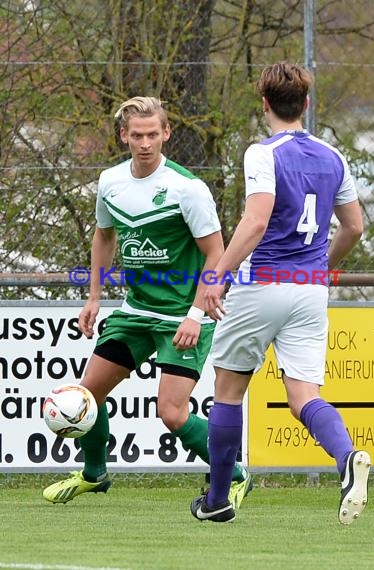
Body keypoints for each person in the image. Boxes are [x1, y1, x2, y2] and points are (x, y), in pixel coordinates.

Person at [43, 96, 252, 506]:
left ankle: (235, 473)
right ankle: (94, 474)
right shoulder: (111, 182)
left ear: (166, 133)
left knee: (171, 413)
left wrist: (195, 314)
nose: (144, 143)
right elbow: (104, 236)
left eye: (152, 134)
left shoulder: (187, 189)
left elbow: (216, 252)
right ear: (124, 135)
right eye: (136, 135)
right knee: (85, 398)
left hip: (182, 316)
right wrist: (94, 297)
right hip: (136, 312)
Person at [190, 62, 371, 524]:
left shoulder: (262, 152)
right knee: (304, 397)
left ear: (265, 103)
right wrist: (321, 269)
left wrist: (215, 278)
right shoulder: (334, 157)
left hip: (262, 282)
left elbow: (255, 221)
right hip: (309, 291)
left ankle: (216, 500)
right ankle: (347, 457)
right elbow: (354, 227)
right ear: (306, 105)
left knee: (228, 393)